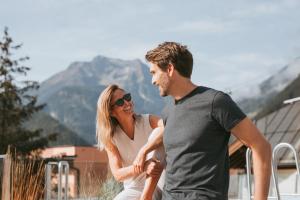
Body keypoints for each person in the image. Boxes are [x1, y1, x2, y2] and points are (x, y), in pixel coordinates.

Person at [134, 42, 272, 200]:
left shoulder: (215, 102)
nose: (152, 80)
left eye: (154, 72)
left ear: (170, 69)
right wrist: (144, 151)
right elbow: (177, 142)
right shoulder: (168, 111)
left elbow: (261, 146)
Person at [96, 84, 165, 200]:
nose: (127, 103)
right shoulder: (111, 138)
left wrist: (144, 151)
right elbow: (118, 174)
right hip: (134, 188)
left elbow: (168, 127)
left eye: (127, 97)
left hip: (158, 182)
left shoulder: (148, 121)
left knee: (158, 133)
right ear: (111, 112)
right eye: (119, 102)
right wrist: (143, 166)